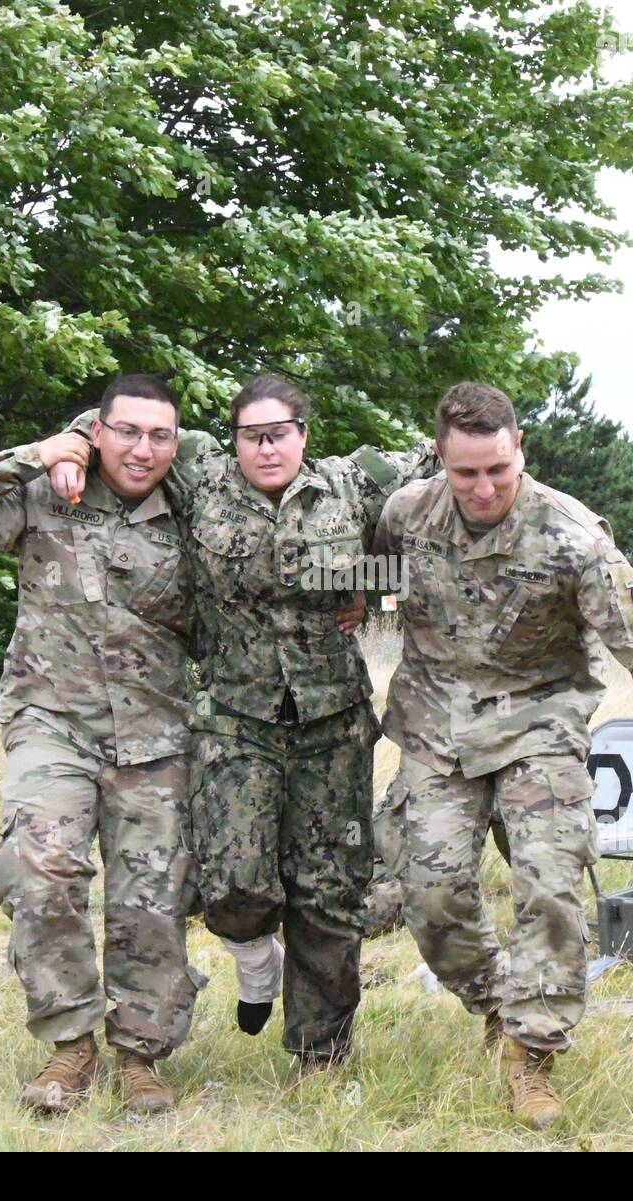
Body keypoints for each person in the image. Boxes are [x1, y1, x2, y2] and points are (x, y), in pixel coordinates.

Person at [372, 381, 633, 1127]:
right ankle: (498, 1004)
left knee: (548, 888)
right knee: (431, 895)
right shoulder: (405, 515)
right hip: (436, 725)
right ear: (440, 461)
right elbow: (372, 579)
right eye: (465, 474)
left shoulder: (576, 538)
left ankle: (534, 1053)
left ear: (521, 452)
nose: (483, 489)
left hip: (538, 725)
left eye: (498, 471)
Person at [52, 374, 435, 1067]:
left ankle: (320, 1056)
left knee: (329, 894)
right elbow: (114, 425)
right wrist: (71, 447)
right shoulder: (199, 476)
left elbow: (446, 464)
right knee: (231, 882)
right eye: (251, 436)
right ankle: (255, 956)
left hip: (332, 722)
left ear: (303, 434)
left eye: (278, 434)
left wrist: (377, 578)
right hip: (234, 715)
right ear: (233, 440)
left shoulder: (351, 483)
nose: (265, 448)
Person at [0, 374, 208, 1116]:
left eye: (160, 435)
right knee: (42, 865)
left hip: (158, 732)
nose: (143, 449)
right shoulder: (49, 489)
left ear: (177, 441)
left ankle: (140, 1054)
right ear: (98, 432)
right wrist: (39, 452)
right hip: (54, 722)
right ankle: (70, 1043)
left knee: (153, 898)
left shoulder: (198, 500)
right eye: (127, 432)